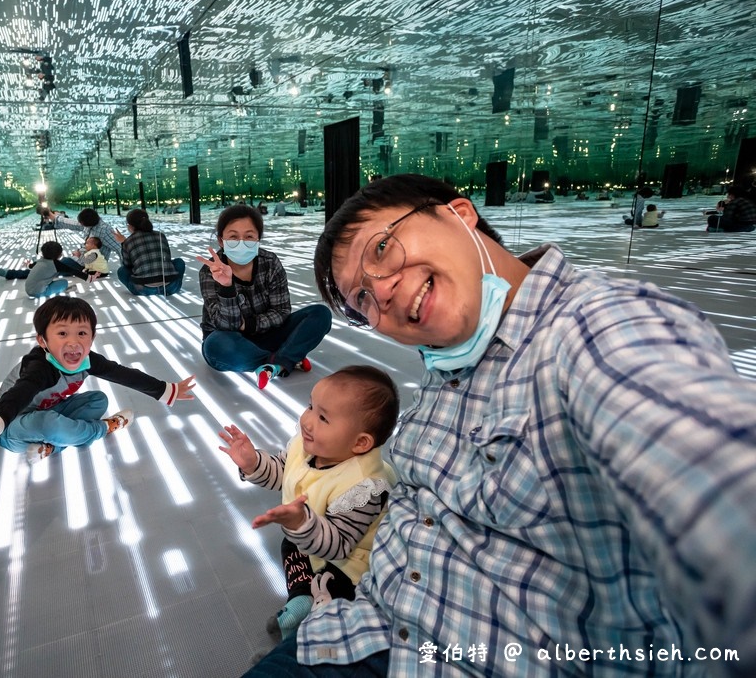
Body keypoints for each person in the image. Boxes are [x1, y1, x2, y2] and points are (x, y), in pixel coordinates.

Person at [245, 173, 756, 676]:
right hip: (363, 627)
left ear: (459, 214)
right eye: (360, 299)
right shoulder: (450, 366)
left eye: (381, 249)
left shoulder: (596, 331)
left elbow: (716, 506)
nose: (382, 294)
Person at [218, 365, 399, 643]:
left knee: (342, 588)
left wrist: (302, 523)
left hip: (353, 558)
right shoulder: (308, 445)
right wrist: (253, 462)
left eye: (323, 417)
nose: (308, 420)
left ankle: (309, 631)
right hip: (309, 537)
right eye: (310, 406)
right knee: (291, 545)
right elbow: (283, 470)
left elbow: (338, 545)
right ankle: (301, 597)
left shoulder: (364, 485)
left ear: (360, 443)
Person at [0, 296, 196, 464]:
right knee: (51, 423)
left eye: (81, 333)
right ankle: (104, 428)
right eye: (61, 333)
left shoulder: (88, 360)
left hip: (49, 412)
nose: (73, 342)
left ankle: (51, 447)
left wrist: (166, 389)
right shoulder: (40, 367)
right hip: (12, 426)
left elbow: (123, 373)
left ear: (91, 337)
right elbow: (20, 394)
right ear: (42, 341)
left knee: (98, 400)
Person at [196, 204, 333, 390]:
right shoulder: (210, 271)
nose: (242, 242)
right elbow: (226, 325)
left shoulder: (270, 263)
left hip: (269, 333)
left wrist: (250, 324)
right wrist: (226, 286)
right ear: (221, 241)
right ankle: (285, 359)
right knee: (215, 347)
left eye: (249, 236)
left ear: (258, 238)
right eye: (233, 237)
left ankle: (276, 361)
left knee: (320, 314)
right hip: (231, 340)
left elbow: (282, 311)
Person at [116, 208, 186, 296]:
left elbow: (127, 265)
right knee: (179, 262)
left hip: (143, 289)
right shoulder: (161, 235)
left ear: (130, 226)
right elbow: (167, 258)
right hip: (171, 286)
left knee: (122, 271)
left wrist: (124, 243)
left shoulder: (129, 241)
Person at [0, 241, 96, 294]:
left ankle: (9, 273)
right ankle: (59, 291)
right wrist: (89, 278)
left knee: (34, 273)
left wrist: (28, 265)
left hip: (29, 289)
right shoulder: (57, 264)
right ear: (59, 255)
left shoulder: (41, 260)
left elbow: (32, 266)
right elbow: (73, 271)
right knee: (64, 282)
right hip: (39, 292)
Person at [48, 207, 124, 262]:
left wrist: (126, 267)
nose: (81, 225)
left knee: (62, 264)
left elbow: (119, 248)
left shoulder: (105, 230)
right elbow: (73, 224)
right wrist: (53, 217)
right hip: (82, 259)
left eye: (83, 224)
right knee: (61, 262)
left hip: (93, 266)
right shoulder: (90, 222)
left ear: (88, 224)